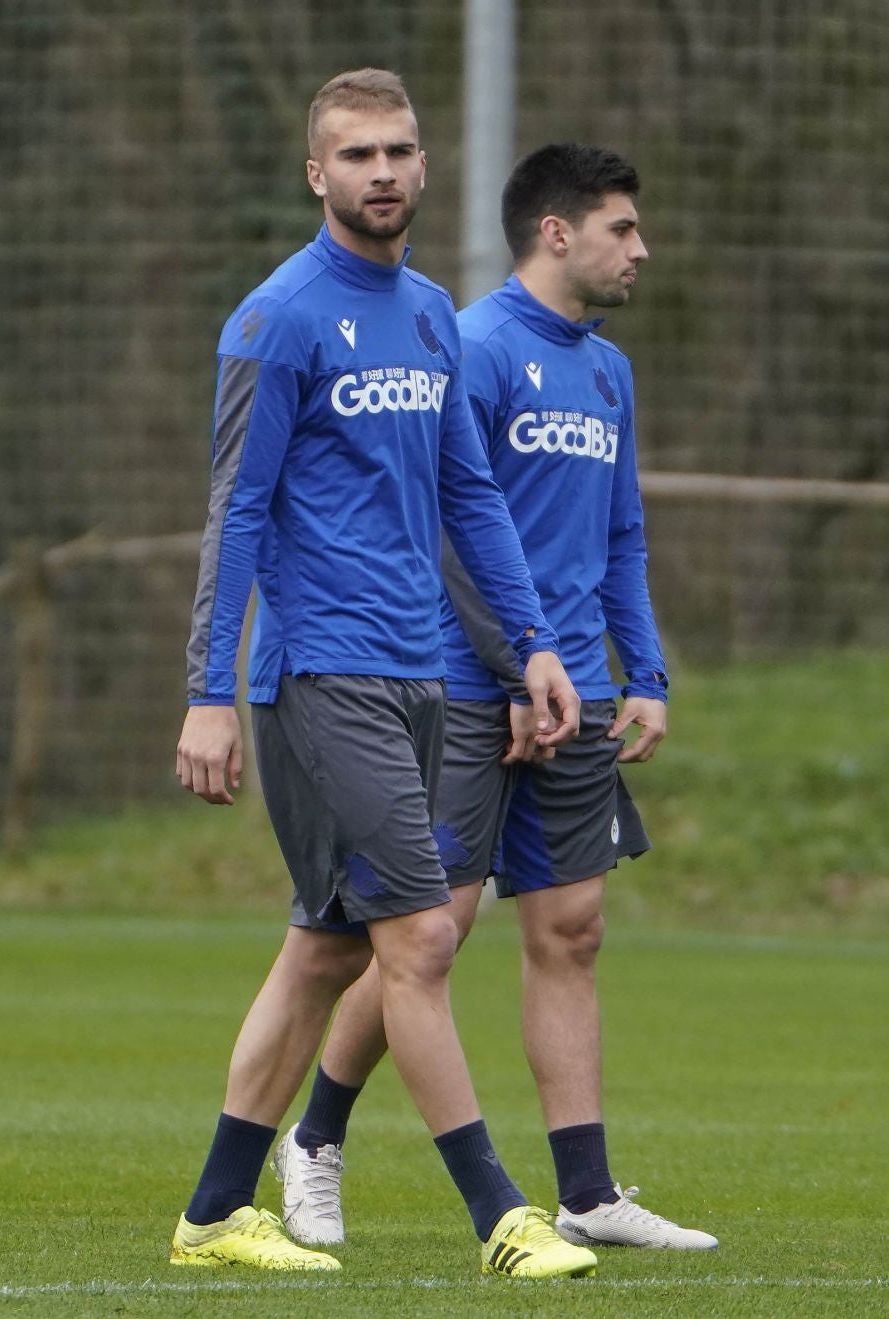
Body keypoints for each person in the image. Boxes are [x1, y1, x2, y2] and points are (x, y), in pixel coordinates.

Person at [170, 72, 598, 1281]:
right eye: (356, 153)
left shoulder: (426, 316)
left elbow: (471, 497)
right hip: (320, 673)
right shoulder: (275, 319)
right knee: (417, 933)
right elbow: (236, 513)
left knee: (326, 947)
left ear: (423, 162)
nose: (384, 172)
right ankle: (503, 1216)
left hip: (425, 674)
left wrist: (536, 649)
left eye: (401, 150)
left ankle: (212, 1210)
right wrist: (212, 689)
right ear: (317, 174)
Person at [275, 143, 719, 1252]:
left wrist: (644, 672)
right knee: (429, 934)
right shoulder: (468, 345)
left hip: (576, 687)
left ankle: (587, 1191)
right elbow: (449, 530)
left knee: (572, 928)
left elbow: (621, 532)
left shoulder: (608, 371)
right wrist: (516, 663)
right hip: (470, 684)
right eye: (624, 228)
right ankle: (313, 1139)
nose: (641, 250)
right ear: (558, 232)